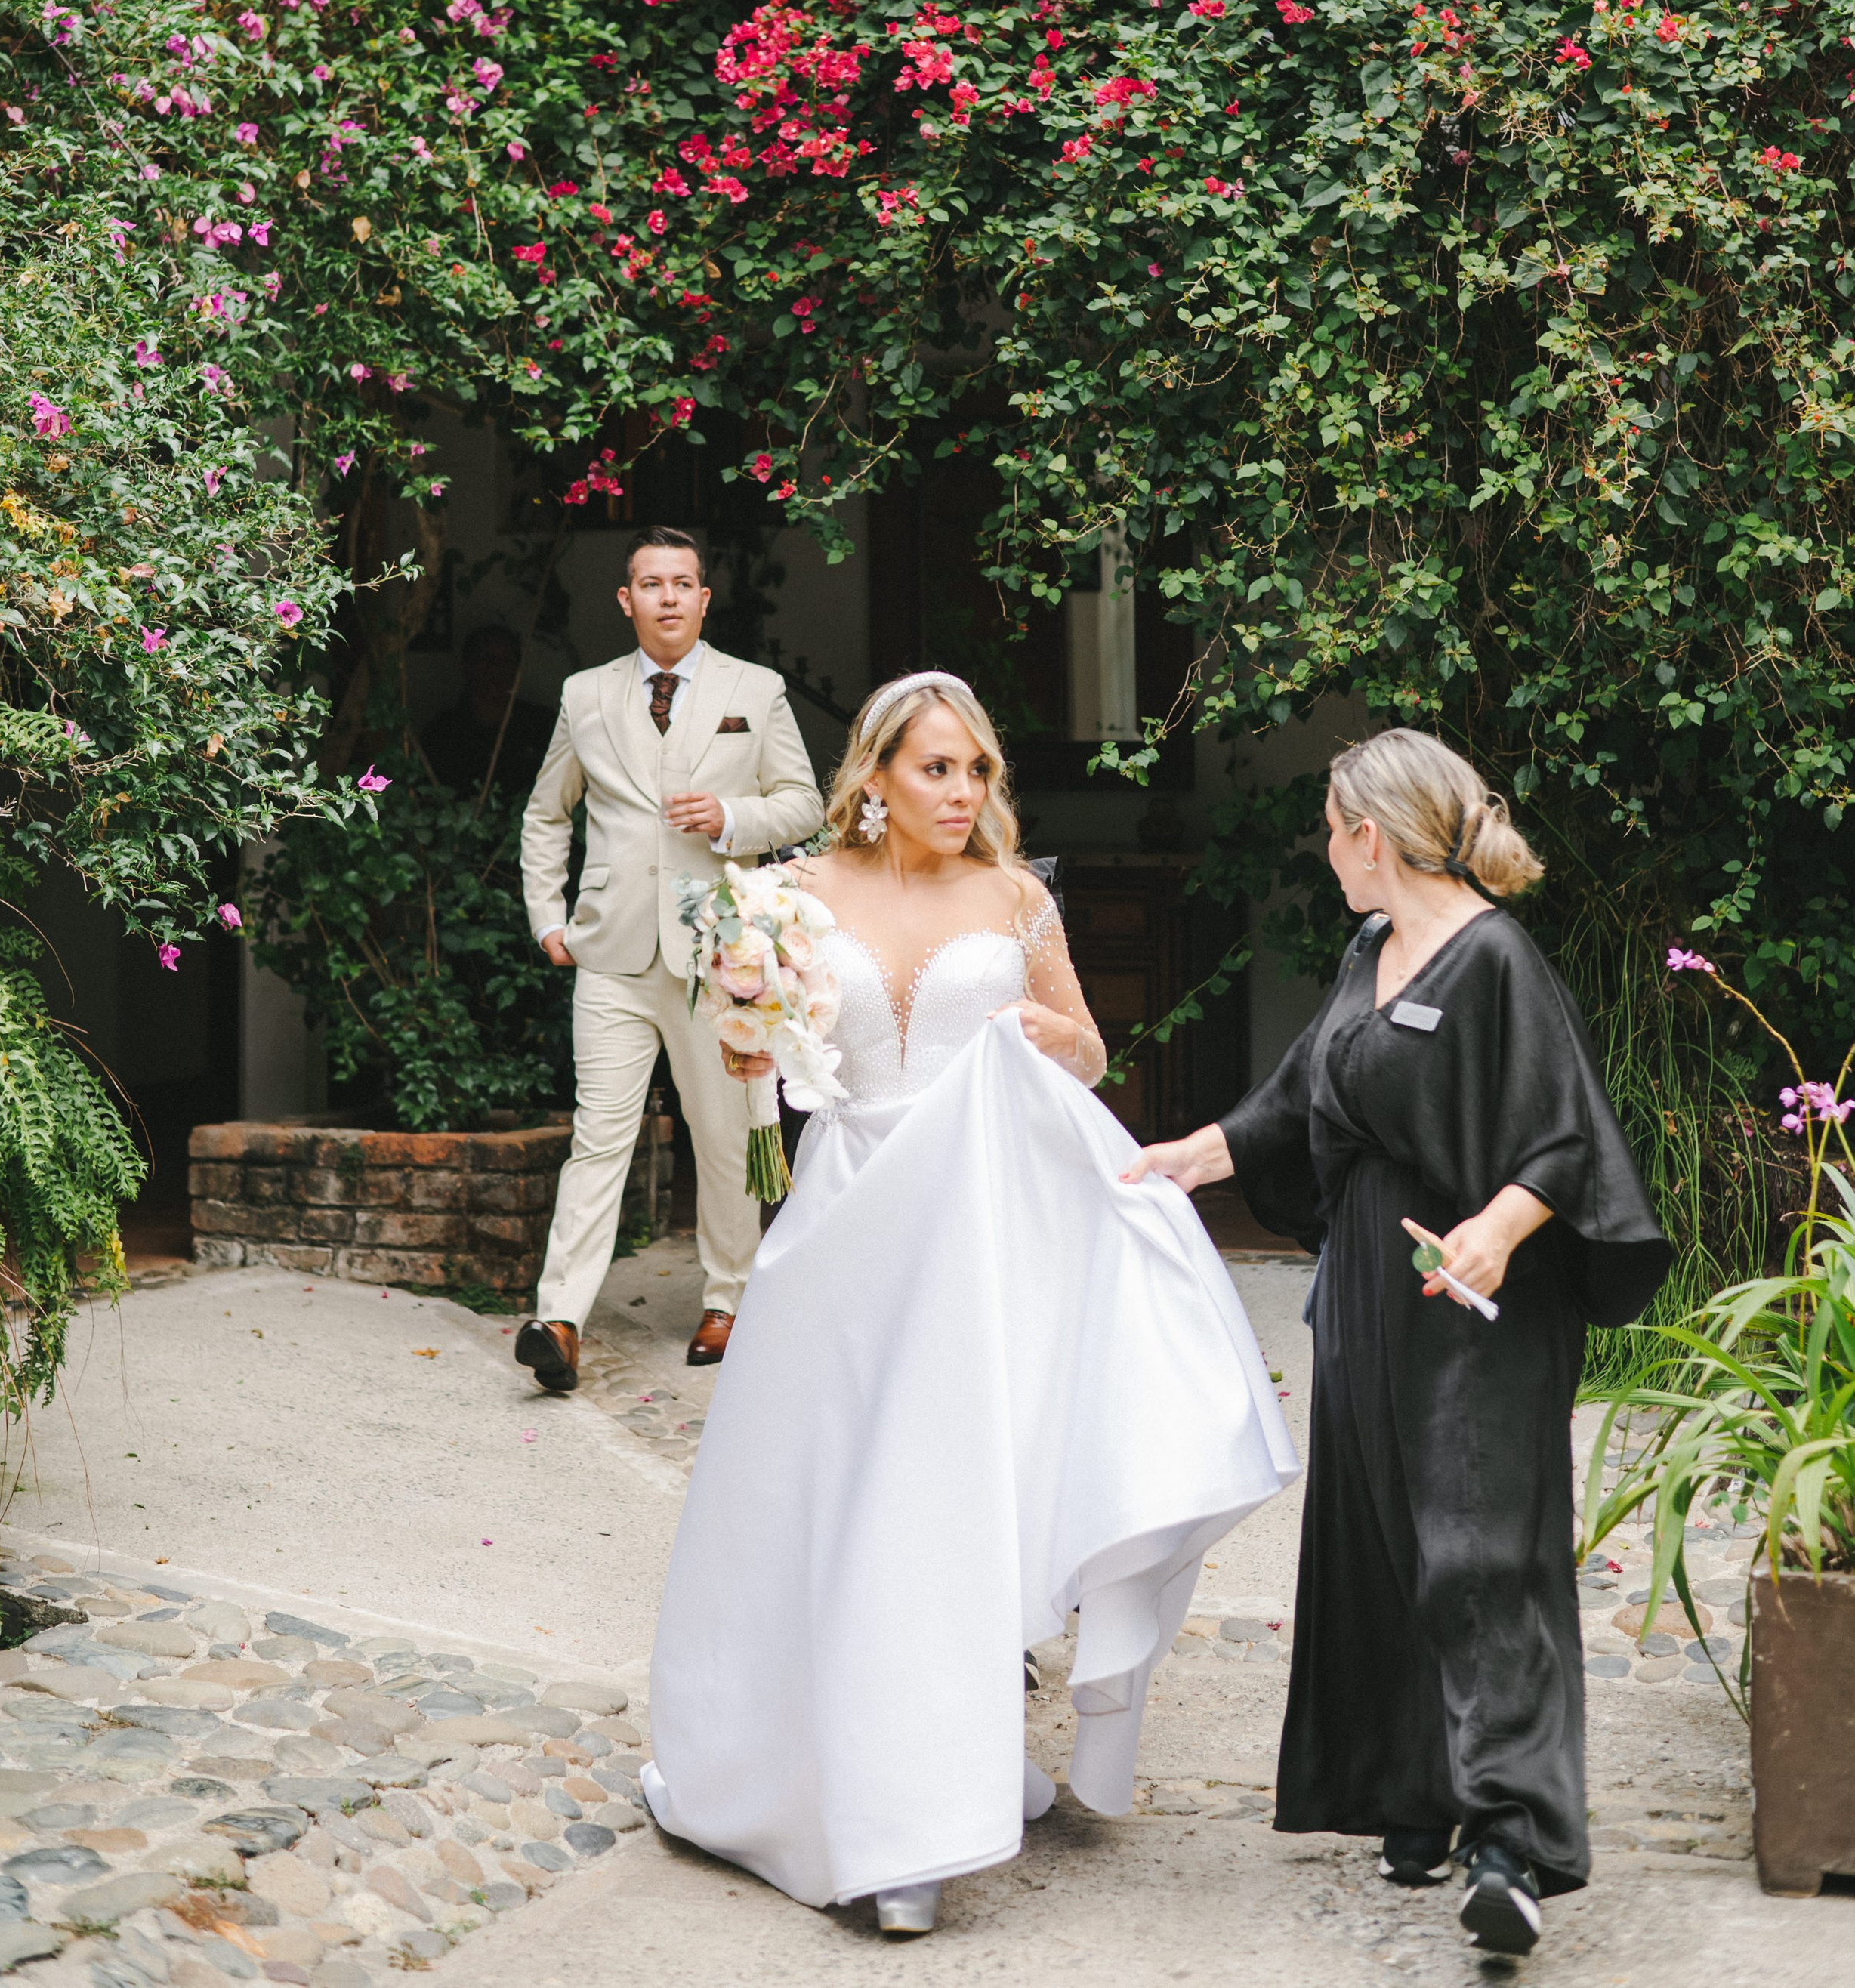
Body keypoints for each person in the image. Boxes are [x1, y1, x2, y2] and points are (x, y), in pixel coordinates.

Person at [640, 671, 1298, 1935]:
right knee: (826, 1500)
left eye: (978, 771)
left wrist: (1056, 1046)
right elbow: (752, 1057)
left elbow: (1093, 1048)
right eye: (937, 768)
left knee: (937, 1507)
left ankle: (915, 1823)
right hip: (845, 1224)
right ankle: (816, 1768)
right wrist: (746, 1019)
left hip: (977, 1229)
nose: (962, 792)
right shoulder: (791, 898)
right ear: (875, 776)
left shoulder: (1016, 895)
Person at [1125, 730, 1668, 1961]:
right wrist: (1183, 1160)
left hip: (1475, 1300)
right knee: (1378, 1539)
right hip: (1367, 1289)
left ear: (1371, 833)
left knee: (1479, 1550)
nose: (1326, 853)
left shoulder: (1497, 960)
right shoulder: (1371, 949)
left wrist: (1496, 1225)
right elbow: (1297, 1098)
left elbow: (1569, 1139)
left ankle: (1513, 1842)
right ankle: (1409, 1796)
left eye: (1330, 829)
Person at [517, 526, 823, 1390]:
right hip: (611, 951)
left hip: (717, 950)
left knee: (724, 1138)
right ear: (627, 599)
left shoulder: (754, 690)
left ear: (703, 596)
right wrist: (548, 913)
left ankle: (727, 1297)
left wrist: (729, 817)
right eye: (650, 583)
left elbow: (801, 803)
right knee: (597, 1137)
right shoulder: (585, 694)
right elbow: (548, 813)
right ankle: (560, 1318)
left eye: (682, 582)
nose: (667, 597)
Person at [421, 622, 554, 801]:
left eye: (506, 661)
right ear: (467, 666)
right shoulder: (443, 732)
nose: (497, 669)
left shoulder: (541, 725)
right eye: (487, 659)